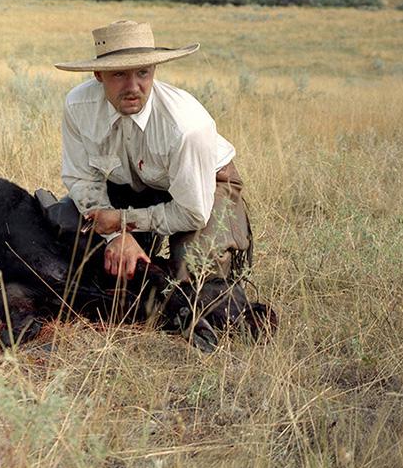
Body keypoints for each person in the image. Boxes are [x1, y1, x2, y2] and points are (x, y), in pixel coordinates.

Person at [43, 19, 252, 299]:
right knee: (67, 236)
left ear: (154, 71)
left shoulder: (186, 126)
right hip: (128, 186)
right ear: (98, 75)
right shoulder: (78, 105)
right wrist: (118, 235)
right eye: (119, 74)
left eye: (143, 72)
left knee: (195, 268)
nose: (133, 86)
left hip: (203, 188)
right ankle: (142, 262)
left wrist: (122, 220)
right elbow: (82, 178)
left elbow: (193, 212)